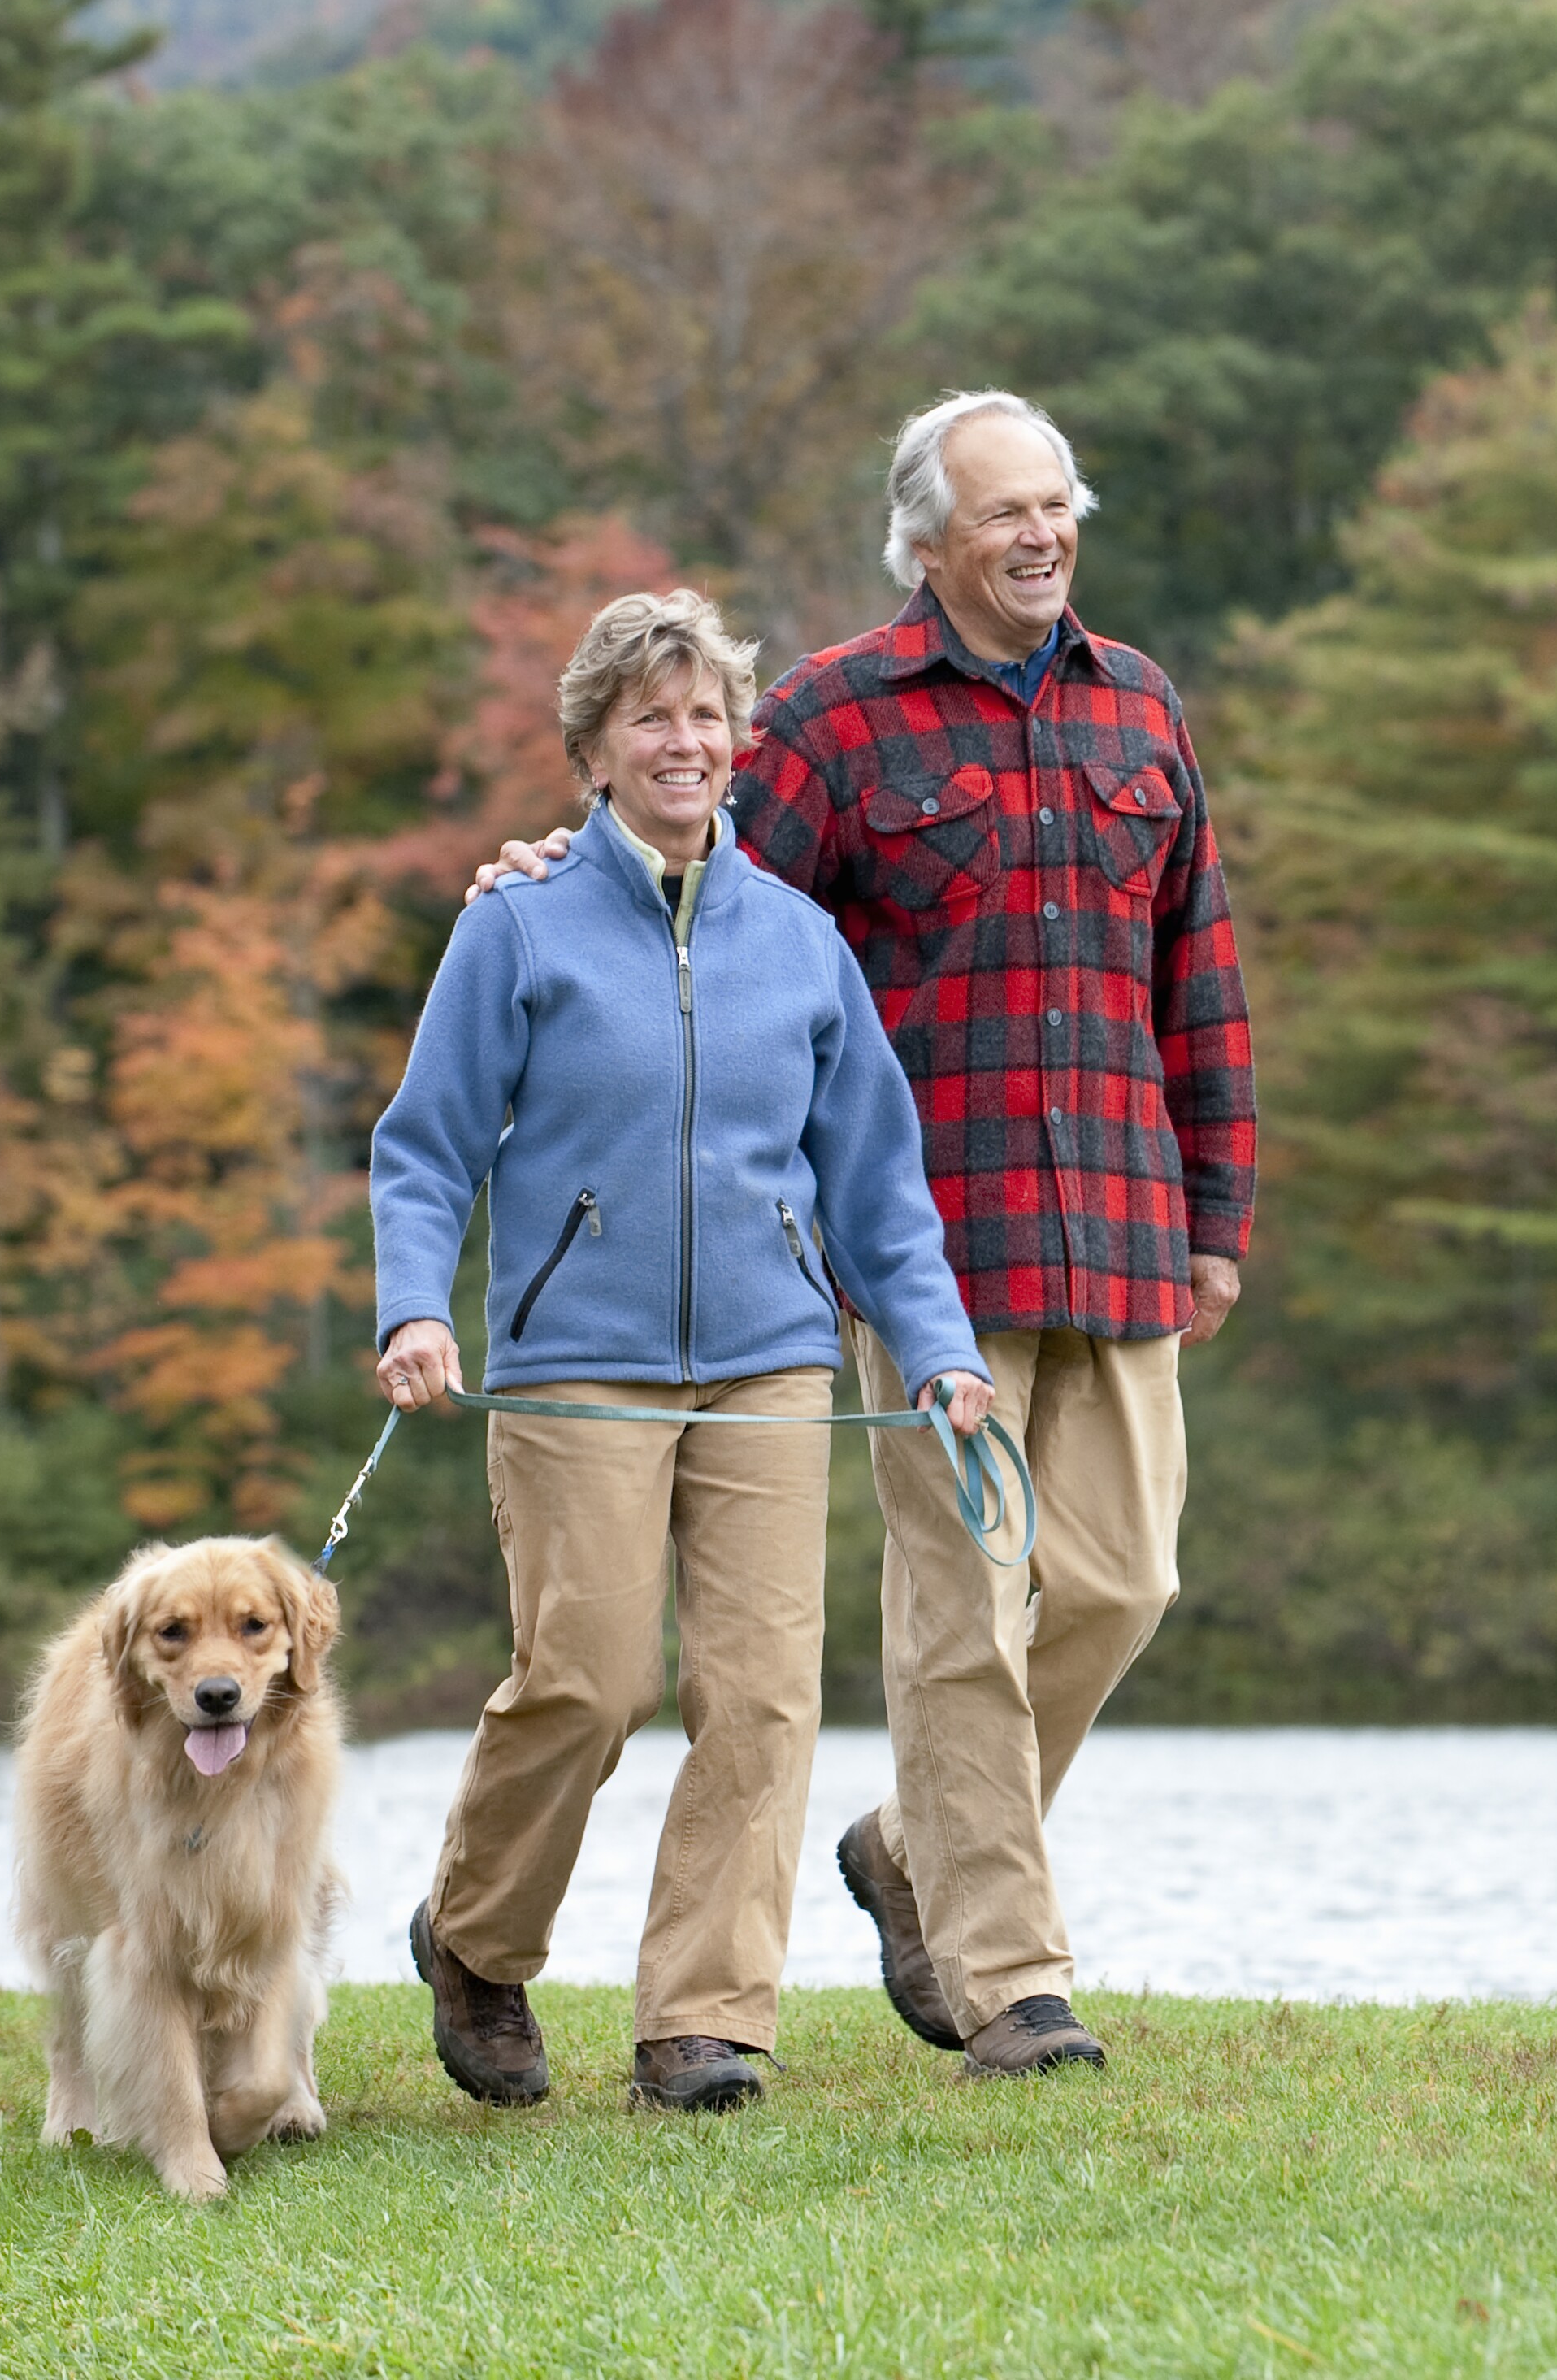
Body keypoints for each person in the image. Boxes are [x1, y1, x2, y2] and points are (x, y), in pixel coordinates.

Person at [473, 390, 1253, 2079]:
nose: (1042, 535)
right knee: (963, 1611)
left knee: (1121, 1586)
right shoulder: (832, 721)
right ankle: (1011, 1983)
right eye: (1004, 515)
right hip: (924, 1244)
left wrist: (1216, 1213)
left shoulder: (1141, 707)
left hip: (1120, 1220)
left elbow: (1200, 967)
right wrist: (546, 866)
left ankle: (912, 1851)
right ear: (927, 544)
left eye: (1059, 505)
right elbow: (690, 903)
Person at [374, 588, 993, 2117]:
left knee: (767, 1695)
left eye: (707, 714)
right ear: (594, 746)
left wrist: (937, 1347)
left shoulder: (801, 941)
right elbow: (424, 1148)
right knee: (585, 1679)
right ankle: (475, 1937)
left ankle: (703, 2018)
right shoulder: (515, 926)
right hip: (575, 1359)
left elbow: (876, 1179)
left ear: (738, 743)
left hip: (773, 1365)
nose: (684, 740)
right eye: (651, 715)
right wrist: (415, 1304)